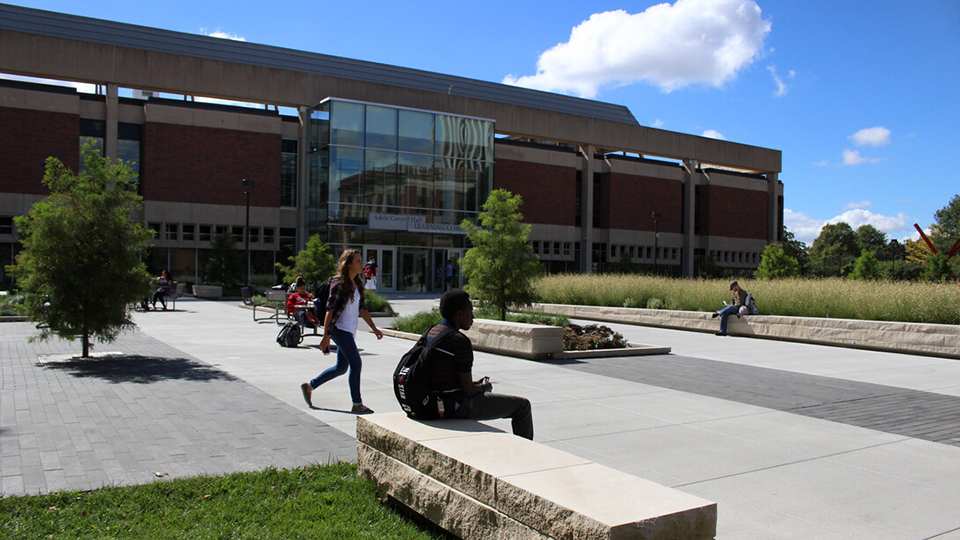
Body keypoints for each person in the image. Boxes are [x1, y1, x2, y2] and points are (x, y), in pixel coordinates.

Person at [425, 290, 534, 439]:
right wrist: (484, 388)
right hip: (451, 407)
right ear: (458, 315)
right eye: (470, 312)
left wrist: (470, 386)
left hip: (429, 403)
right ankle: (527, 454)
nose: (473, 317)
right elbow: (469, 391)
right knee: (522, 406)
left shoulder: (431, 332)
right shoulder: (459, 341)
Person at [300, 250, 384, 414]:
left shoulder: (357, 282)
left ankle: (309, 386)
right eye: (358, 261)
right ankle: (357, 403)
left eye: (361, 260)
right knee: (356, 364)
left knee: (340, 368)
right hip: (339, 329)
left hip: (349, 330)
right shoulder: (339, 284)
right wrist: (326, 335)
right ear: (349, 264)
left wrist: (374, 328)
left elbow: (362, 308)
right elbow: (329, 310)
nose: (362, 264)